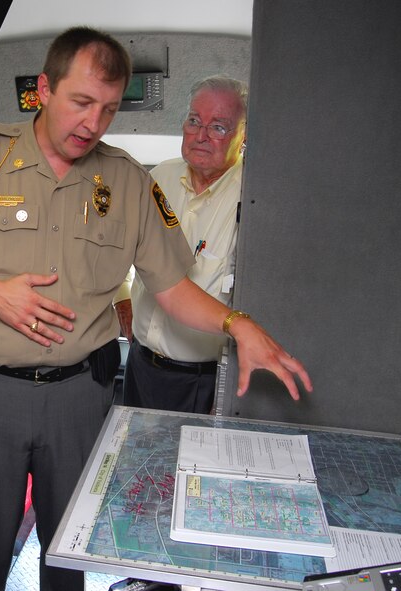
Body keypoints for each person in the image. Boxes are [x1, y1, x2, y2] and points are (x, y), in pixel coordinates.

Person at [0, 26, 311, 591]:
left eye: (109, 109)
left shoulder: (130, 181)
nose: (93, 123)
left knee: (69, 555)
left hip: (79, 401)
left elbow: (170, 288)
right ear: (44, 89)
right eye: (81, 102)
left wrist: (240, 325)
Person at [115, 74, 248, 414]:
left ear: (243, 134)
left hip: (202, 380)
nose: (201, 135)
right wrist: (123, 296)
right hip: (140, 366)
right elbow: (120, 245)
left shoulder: (253, 197)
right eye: (194, 121)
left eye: (218, 127)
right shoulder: (158, 176)